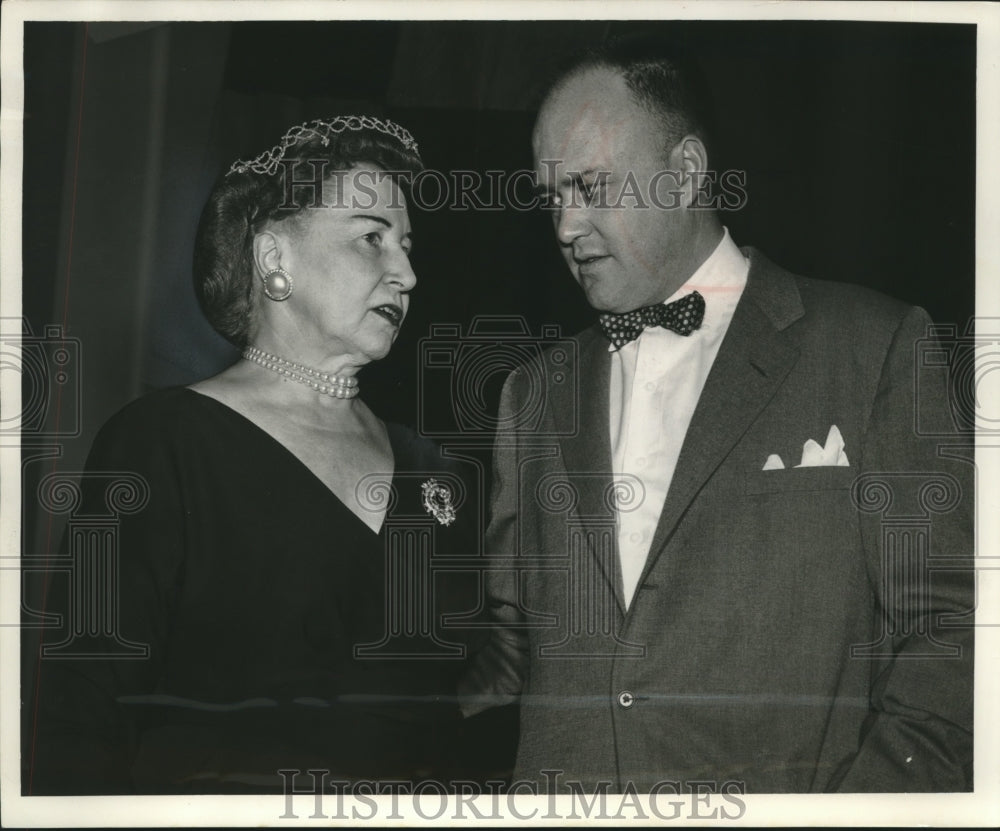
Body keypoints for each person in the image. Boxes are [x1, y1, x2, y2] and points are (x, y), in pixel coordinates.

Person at [460, 37, 975, 793]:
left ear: (686, 173)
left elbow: (954, 634)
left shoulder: (872, 346)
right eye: (552, 198)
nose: (565, 227)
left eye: (592, 187)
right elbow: (505, 657)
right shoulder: (531, 394)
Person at [29, 116, 482, 794]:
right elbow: (78, 709)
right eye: (371, 238)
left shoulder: (441, 472)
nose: (407, 273)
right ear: (275, 259)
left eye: (409, 246)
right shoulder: (165, 442)